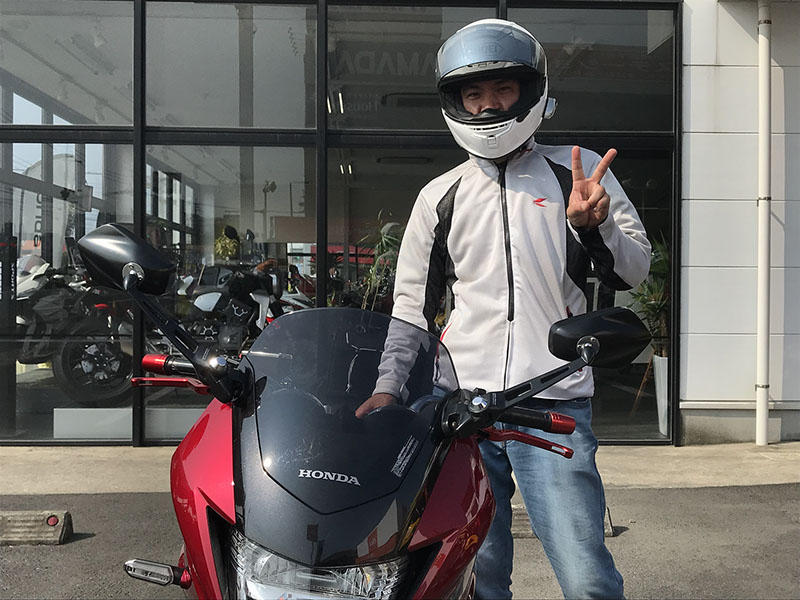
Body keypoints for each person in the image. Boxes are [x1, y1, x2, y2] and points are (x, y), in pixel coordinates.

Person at [356, 18, 650, 599]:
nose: (489, 104)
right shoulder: (439, 196)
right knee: (476, 579)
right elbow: (412, 306)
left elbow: (633, 270)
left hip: (554, 401)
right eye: (473, 93)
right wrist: (389, 387)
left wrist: (594, 228)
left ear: (530, 92)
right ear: (456, 101)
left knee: (587, 577)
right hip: (463, 409)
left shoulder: (576, 173)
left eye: (503, 89)